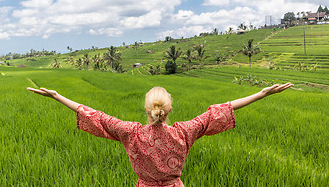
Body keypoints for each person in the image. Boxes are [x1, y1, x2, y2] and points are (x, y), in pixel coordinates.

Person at [27, 82, 293, 187]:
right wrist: (261, 94)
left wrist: (57, 96)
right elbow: (221, 110)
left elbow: (92, 114)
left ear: (147, 109)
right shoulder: (185, 132)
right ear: (169, 110)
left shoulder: (130, 133)